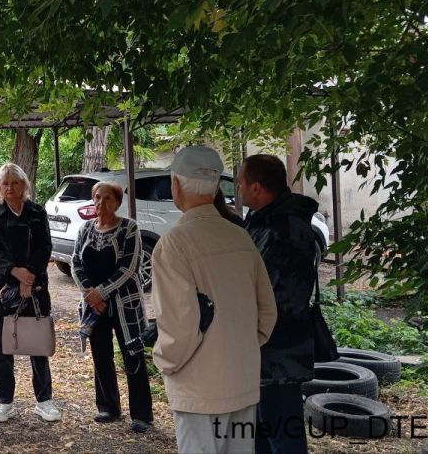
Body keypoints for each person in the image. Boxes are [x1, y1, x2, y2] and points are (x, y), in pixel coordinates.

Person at [151, 146, 277, 454]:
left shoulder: (174, 245)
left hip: (198, 388)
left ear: (175, 185)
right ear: (217, 186)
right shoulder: (241, 237)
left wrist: (163, 362)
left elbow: (179, 328)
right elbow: (267, 314)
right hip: (243, 379)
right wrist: (240, 349)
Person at [238, 154, 320, 454]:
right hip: (263, 350)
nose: (238, 188)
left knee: (283, 437)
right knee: (261, 434)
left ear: (256, 188)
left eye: (240, 182)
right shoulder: (264, 220)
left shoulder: (284, 228)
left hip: (279, 352)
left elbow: (270, 295)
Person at [0, 163, 61, 423]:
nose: (10, 188)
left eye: (15, 182)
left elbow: (44, 246)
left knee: (38, 343)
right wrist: (15, 272)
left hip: (35, 286)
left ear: (24, 185)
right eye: (5, 183)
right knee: (2, 347)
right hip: (1, 289)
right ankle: (5, 402)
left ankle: (44, 401)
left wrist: (29, 276)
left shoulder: (37, 212)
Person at [71, 181, 154, 434]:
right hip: (95, 306)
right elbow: (75, 263)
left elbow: (129, 268)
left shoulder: (129, 228)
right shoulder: (86, 229)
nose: (101, 202)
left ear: (117, 202)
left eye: (107, 198)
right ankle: (108, 406)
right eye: (97, 197)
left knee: (133, 354)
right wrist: (90, 294)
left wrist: (101, 292)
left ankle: (141, 414)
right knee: (101, 354)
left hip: (125, 305)